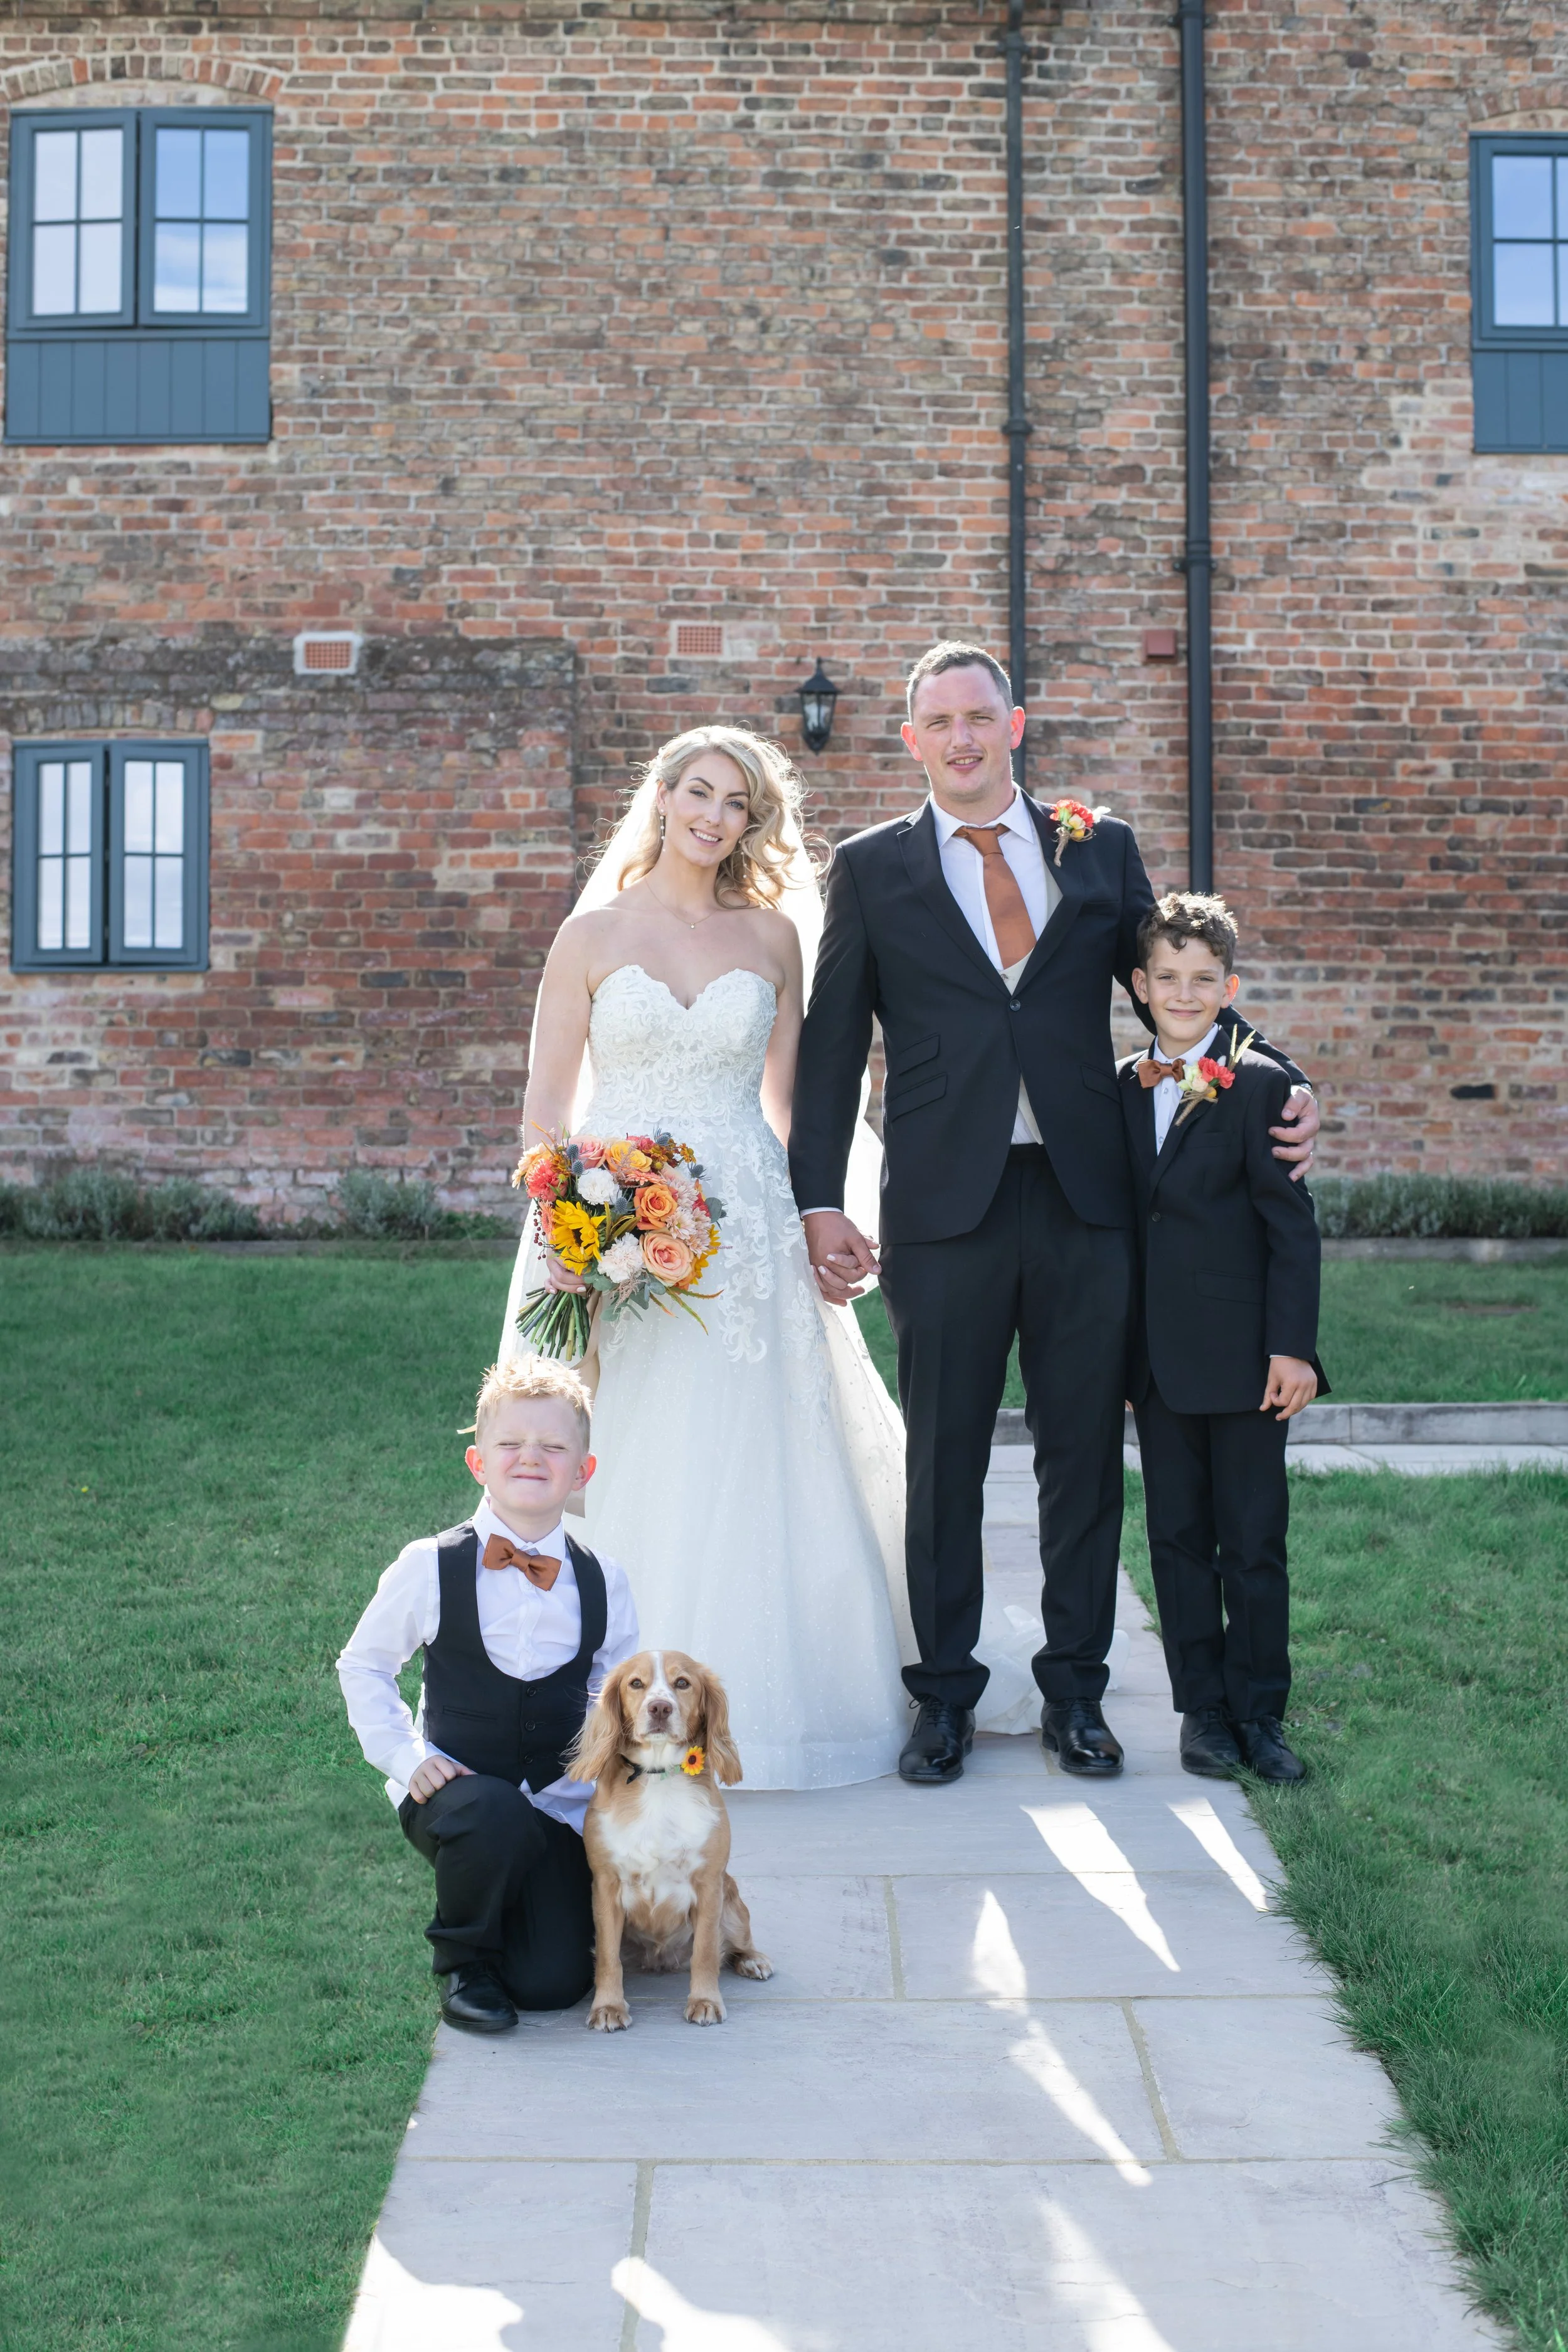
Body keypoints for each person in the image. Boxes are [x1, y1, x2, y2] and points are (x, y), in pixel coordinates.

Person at [789, 641, 1321, 1785]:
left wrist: (1279, 1075)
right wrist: (819, 1198)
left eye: (982, 716)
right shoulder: (874, 869)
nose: (964, 738)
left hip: (1092, 1199)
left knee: (1081, 1460)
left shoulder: (1099, 848)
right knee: (946, 1463)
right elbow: (834, 1043)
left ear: (1015, 726)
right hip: (942, 1208)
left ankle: (1077, 1694)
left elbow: (1180, 982)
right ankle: (943, 1700)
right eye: (941, 721)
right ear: (912, 740)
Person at [500, 724, 1044, 1789]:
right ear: (661, 798)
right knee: (642, 1436)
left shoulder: (771, 941)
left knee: (764, 1443)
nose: (712, 816)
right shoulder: (592, 939)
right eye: (697, 792)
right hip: (617, 1226)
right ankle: (623, 1703)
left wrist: (822, 1214)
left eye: (736, 803)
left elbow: (802, 1106)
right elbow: (544, 1107)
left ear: (754, 823)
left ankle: (792, 1704)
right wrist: (566, 1223)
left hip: (744, 1218)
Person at [336, 1357, 638, 2033]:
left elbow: (614, 1694)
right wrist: (406, 1756)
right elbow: (363, 1665)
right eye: (511, 1444)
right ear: (479, 1462)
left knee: (552, 1986)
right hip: (456, 1800)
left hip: (556, 1811)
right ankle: (464, 1963)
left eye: (553, 1447)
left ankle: (516, 1920)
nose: (531, 1457)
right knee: (490, 1813)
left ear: (582, 1472)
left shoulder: (603, 1581)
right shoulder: (431, 1566)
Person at [1120, 893, 1327, 1783]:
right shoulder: (1121, 1086)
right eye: (1167, 977)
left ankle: (1261, 1712)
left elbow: (1292, 1228)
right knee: (1176, 1537)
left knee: (1253, 1539)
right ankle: (1202, 1710)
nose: (1183, 992)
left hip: (1247, 1359)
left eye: (1204, 979)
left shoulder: (1265, 1084)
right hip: (1157, 1362)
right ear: (1140, 985)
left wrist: (1294, 1347)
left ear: (1229, 987)